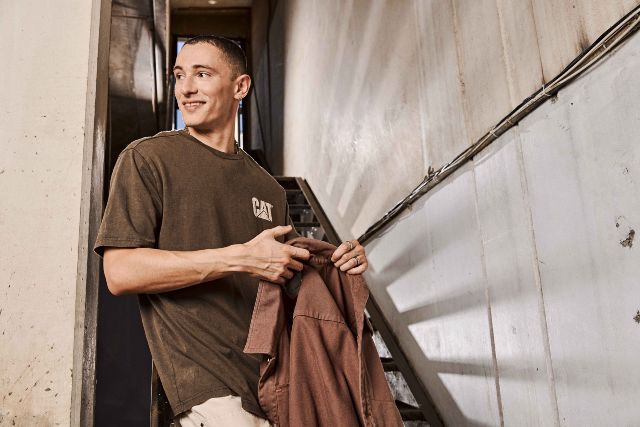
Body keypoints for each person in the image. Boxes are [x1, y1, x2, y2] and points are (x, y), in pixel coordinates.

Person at [94, 35, 369, 427]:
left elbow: (284, 281)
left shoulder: (268, 189)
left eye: (202, 74)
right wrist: (240, 257)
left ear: (240, 86)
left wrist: (336, 262)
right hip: (205, 390)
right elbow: (120, 273)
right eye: (179, 75)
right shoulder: (147, 158)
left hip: (273, 387)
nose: (186, 88)